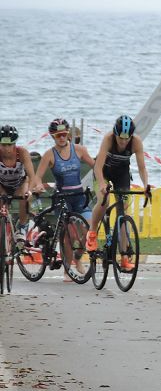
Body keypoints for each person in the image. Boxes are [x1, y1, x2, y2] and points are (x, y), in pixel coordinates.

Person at [32, 119, 96, 280]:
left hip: (79, 196)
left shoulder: (79, 150)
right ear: (53, 137)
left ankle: (78, 258)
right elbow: (37, 177)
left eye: (64, 134)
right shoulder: (49, 154)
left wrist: (107, 176)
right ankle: (67, 269)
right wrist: (38, 185)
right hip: (62, 198)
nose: (61, 138)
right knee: (69, 235)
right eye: (58, 135)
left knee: (87, 231)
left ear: (68, 134)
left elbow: (96, 165)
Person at [88, 115, 150, 254]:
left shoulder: (136, 142)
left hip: (121, 174)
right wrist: (102, 184)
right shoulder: (108, 139)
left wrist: (146, 185)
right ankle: (92, 232)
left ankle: (124, 253)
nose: (123, 142)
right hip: (103, 171)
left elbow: (142, 168)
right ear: (115, 134)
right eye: (120, 138)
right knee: (104, 200)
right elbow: (97, 167)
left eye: (126, 138)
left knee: (123, 209)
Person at [0, 125, 38, 235]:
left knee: (24, 197)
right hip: (2, 185)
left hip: (20, 183)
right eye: (3, 145)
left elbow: (32, 176)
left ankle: (22, 227)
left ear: (15, 143)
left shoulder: (22, 153)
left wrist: (30, 191)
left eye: (10, 145)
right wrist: (2, 191)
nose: (6, 149)